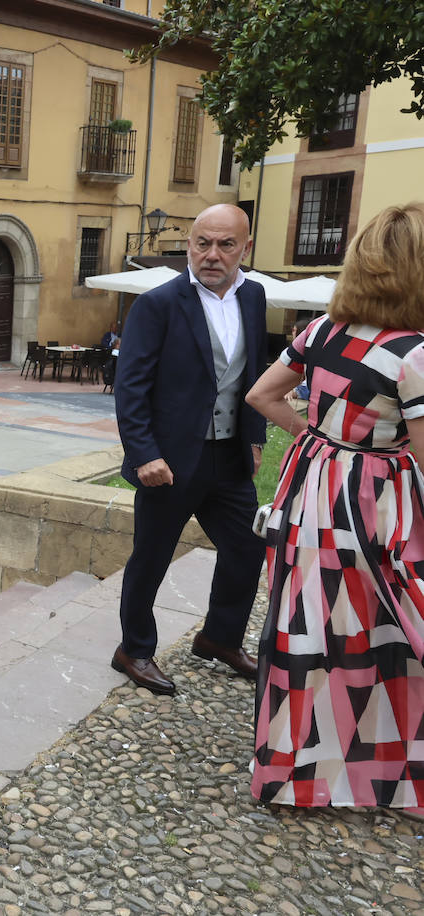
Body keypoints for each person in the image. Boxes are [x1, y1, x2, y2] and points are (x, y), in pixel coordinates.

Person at [244, 203, 424, 813]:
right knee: (383, 629)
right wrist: (367, 449)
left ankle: (289, 769)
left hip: (310, 490)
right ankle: (373, 775)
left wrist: (319, 437)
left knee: (306, 623)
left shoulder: (321, 331)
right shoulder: (415, 354)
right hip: (374, 502)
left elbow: (262, 395)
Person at [111, 203, 268, 695]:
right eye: (203, 243)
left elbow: (256, 372)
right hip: (170, 460)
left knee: (248, 546)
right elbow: (130, 386)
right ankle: (133, 649)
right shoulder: (158, 303)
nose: (212, 254)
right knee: (151, 558)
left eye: (225, 245)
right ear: (189, 245)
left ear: (246, 248)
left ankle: (219, 638)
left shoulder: (255, 296)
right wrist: (144, 454)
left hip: (229, 456)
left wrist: (256, 434)